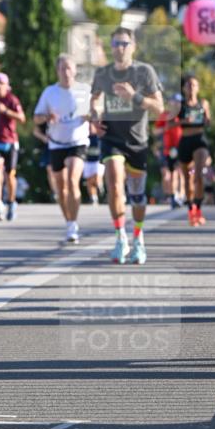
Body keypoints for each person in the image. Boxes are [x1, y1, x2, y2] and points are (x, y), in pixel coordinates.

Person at [90, 27, 163, 265]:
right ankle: (120, 236)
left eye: (124, 44)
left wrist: (135, 97)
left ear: (133, 46)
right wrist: (94, 116)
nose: (119, 48)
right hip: (112, 138)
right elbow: (94, 100)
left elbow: (159, 108)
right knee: (113, 184)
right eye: (115, 44)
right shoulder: (103, 73)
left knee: (137, 197)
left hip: (137, 140)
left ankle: (138, 239)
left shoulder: (144, 72)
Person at [34, 54, 90, 243]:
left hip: (78, 142)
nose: (66, 72)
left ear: (75, 71)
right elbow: (36, 118)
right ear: (57, 71)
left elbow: (96, 113)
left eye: (69, 68)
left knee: (73, 180)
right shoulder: (50, 92)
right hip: (56, 143)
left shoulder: (83, 91)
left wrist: (90, 116)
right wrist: (47, 117)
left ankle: (73, 224)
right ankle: (68, 221)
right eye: (62, 69)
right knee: (61, 187)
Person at [170, 74, 212, 227]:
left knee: (198, 175)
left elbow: (208, 121)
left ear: (198, 87)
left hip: (199, 140)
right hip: (185, 141)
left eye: (194, 85)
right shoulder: (179, 105)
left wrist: (207, 120)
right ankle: (191, 211)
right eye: (188, 85)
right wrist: (182, 121)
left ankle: (199, 209)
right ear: (184, 89)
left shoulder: (203, 103)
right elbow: (167, 125)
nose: (191, 88)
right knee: (187, 179)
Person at [0, 72, 26, 221]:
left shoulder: (12, 100)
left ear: (6, 86)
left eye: (1, 84)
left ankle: (11, 201)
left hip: (10, 142)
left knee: (10, 176)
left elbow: (22, 118)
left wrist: (6, 111)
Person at [154, 96, 184, 208]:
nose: (176, 104)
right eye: (174, 102)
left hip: (180, 148)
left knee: (178, 173)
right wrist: (166, 127)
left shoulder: (183, 115)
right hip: (167, 149)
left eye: (178, 102)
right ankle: (170, 195)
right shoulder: (165, 115)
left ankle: (179, 195)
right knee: (168, 174)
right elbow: (156, 131)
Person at [82, 134, 105, 205]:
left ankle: (99, 186)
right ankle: (93, 198)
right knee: (89, 180)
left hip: (98, 161)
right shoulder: (84, 136)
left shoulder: (100, 136)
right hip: (87, 161)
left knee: (97, 177)